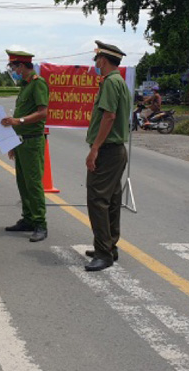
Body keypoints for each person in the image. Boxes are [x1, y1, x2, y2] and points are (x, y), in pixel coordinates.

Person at [83, 41, 131, 271]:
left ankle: (104, 253)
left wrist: (95, 149)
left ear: (103, 59)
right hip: (115, 150)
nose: (95, 63)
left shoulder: (111, 82)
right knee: (110, 201)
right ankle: (109, 246)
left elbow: (109, 116)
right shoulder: (118, 81)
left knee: (97, 199)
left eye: (97, 59)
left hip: (108, 151)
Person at [1, 49, 50, 242]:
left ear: (21, 66)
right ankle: (28, 218)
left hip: (32, 141)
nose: (12, 71)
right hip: (21, 142)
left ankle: (40, 223)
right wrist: (12, 143)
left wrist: (18, 121)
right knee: (22, 182)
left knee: (33, 183)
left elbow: (42, 113)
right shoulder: (25, 85)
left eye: (13, 67)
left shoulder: (38, 84)